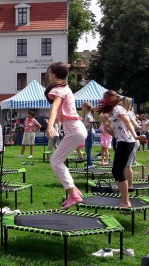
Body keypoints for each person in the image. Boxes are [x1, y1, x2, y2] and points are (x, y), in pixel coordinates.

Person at [44, 62, 86, 210]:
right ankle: (73, 192)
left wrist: (50, 125)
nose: (48, 75)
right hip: (75, 129)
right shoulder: (65, 88)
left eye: (49, 72)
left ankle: (73, 193)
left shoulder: (60, 89)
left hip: (74, 130)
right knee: (57, 161)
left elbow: (55, 107)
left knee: (55, 162)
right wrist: (52, 122)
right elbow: (62, 113)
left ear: (54, 74)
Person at [97, 90, 143, 208]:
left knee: (118, 171)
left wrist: (136, 135)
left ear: (111, 98)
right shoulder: (116, 109)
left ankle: (126, 202)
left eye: (105, 98)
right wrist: (110, 131)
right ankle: (124, 200)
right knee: (116, 171)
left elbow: (128, 122)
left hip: (126, 142)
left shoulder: (118, 108)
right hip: (122, 142)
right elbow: (120, 131)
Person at [82, 102, 95, 168]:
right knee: (87, 149)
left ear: (86, 108)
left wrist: (83, 127)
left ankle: (90, 164)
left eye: (83, 106)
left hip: (89, 133)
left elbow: (89, 123)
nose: (82, 107)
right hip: (88, 133)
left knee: (88, 149)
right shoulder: (88, 114)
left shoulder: (88, 115)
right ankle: (90, 163)